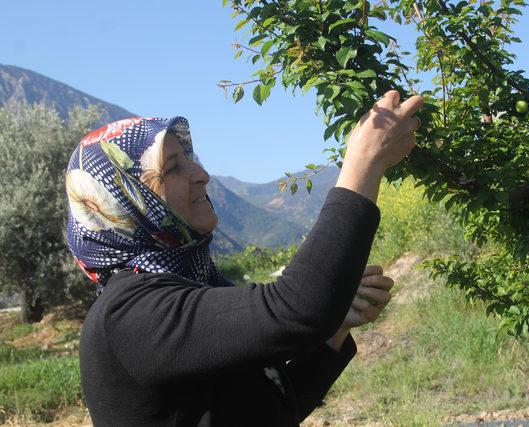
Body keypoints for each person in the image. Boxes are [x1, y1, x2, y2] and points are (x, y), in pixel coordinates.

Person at [66, 90, 423, 426]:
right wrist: (364, 162)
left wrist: (336, 327)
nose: (201, 175)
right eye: (173, 167)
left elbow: (268, 408)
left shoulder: (185, 287)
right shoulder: (131, 313)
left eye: (189, 159)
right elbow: (296, 308)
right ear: (124, 199)